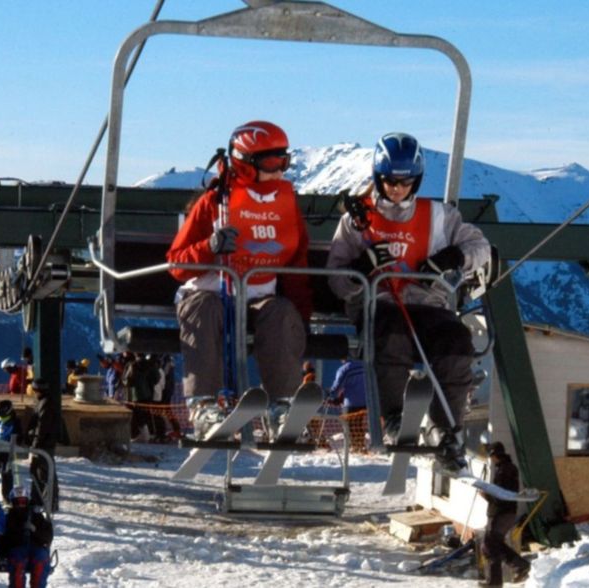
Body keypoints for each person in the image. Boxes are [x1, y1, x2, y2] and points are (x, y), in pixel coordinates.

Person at [326, 132, 490, 471]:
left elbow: (480, 247)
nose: (397, 188)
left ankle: (447, 428)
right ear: (378, 178)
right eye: (390, 181)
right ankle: (393, 418)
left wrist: (453, 257)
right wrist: (362, 267)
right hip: (381, 304)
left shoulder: (440, 216)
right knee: (392, 334)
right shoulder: (357, 221)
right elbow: (336, 280)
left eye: (406, 182)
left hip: (430, 306)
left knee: (456, 341)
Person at [167, 120, 312, 403]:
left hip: (257, 298)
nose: (279, 171)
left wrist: (301, 317)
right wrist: (210, 247)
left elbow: (296, 264)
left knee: (280, 313)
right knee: (205, 308)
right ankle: (203, 402)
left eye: (284, 162)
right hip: (209, 293)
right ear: (245, 163)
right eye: (271, 163)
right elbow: (177, 263)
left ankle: (283, 404)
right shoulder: (214, 202)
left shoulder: (285, 206)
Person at [480, 442, 531, 586]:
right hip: (507, 512)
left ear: (495, 455)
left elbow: (501, 496)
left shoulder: (504, 471)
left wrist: (485, 495)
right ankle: (520, 566)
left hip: (501, 513)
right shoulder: (508, 468)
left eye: (491, 456)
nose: (491, 459)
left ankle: (495, 582)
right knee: (495, 544)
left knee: (489, 545)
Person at [0, 487, 53, 588]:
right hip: (17, 547)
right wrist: (20, 532)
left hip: (36, 546)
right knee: (18, 564)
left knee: (41, 559)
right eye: (18, 502)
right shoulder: (9, 517)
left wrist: (35, 531)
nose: (21, 505)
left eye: (23, 502)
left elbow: (47, 536)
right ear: (13, 502)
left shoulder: (37, 516)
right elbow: (4, 538)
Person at [27, 378, 59, 512]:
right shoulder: (43, 402)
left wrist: (35, 445)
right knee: (36, 472)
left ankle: (50, 502)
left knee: (45, 473)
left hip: (43, 445)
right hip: (42, 443)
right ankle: (37, 499)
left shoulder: (45, 404)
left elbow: (42, 427)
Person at [0, 400, 21, 503]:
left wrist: (17, 440)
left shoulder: (15, 421)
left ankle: (7, 496)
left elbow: (19, 435)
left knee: (6, 474)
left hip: (7, 451)